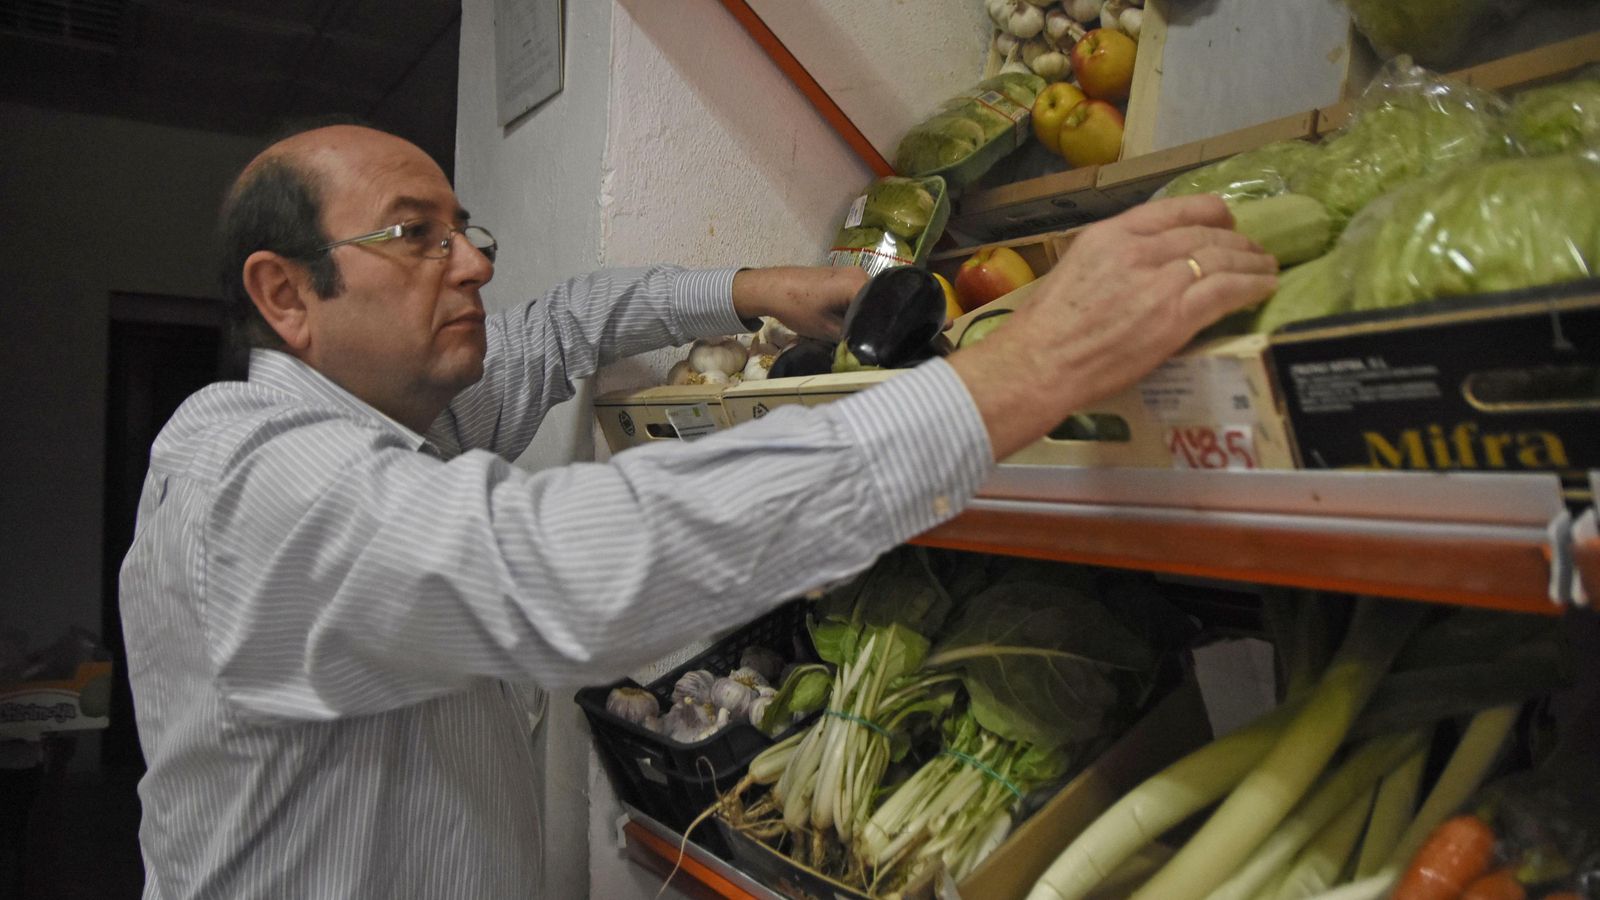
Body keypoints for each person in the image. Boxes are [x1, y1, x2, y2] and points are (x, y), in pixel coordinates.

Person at [118, 123, 1276, 898]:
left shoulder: (406, 413)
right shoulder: (246, 479)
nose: (470, 263)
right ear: (285, 294)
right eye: (415, 235)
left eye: (467, 230)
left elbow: (566, 319)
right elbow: (552, 570)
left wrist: (760, 289)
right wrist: (1015, 378)